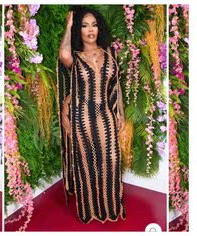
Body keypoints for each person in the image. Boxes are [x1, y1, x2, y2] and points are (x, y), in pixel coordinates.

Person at [57, 7, 126, 224]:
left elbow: (115, 87)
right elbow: (63, 55)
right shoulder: (75, 59)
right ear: (79, 30)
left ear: (100, 29)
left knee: (112, 160)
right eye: (84, 25)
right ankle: (90, 210)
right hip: (82, 118)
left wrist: (118, 113)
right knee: (87, 163)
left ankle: (111, 207)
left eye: (94, 25)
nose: (90, 30)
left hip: (105, 115)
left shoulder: (109, 54)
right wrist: (68, 27)